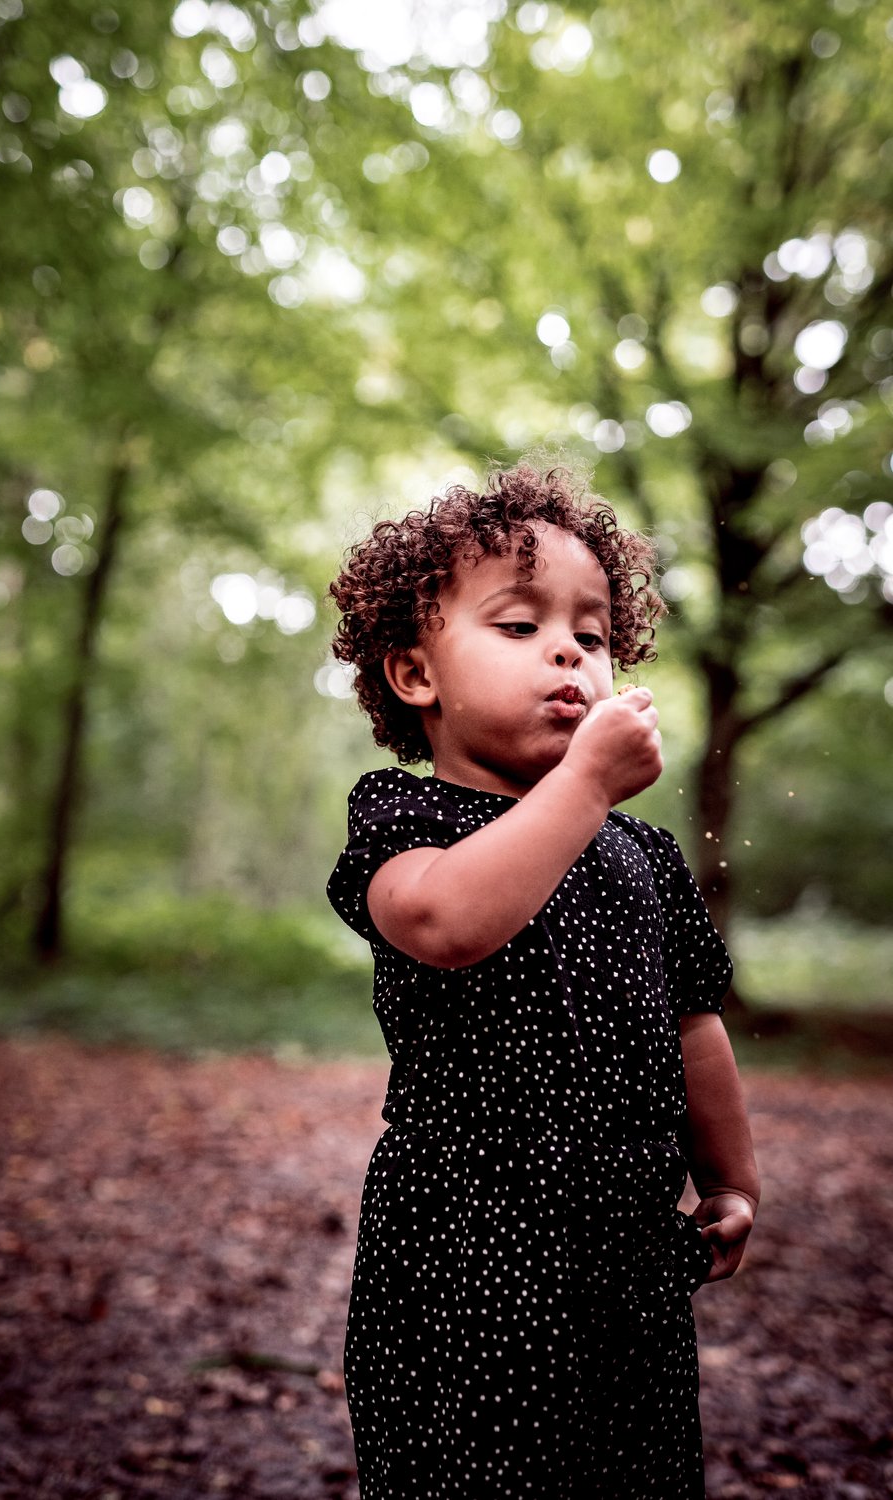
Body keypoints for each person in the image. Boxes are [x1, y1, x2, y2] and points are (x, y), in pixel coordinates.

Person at [326, 459, 759, 1498]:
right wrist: (581, 786)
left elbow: (694, 1029)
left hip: (625, 1252)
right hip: (463, 1255)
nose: (569, 649)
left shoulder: (644, 858)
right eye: (519, 628)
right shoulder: (404, 820)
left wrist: (733, 1177)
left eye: (594, 633)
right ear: (415, 676)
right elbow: (447, 924)